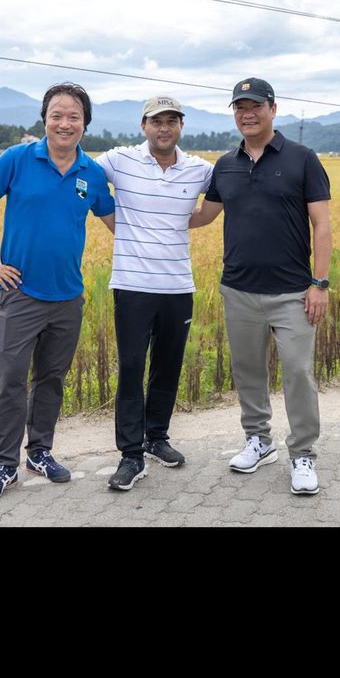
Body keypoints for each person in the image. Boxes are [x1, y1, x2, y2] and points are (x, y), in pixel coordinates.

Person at [0, 83, 115, 501]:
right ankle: (5, 465)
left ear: (85, 123)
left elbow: (118, 224)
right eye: (57, 115)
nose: (64, 123)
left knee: (51, 378)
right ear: (45, 119)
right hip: (20, 294)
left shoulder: (93, 174)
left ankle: (40, 452)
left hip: (68, 296)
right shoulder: (17, 159)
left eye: (74, 116)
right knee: (10, 379)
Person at [189, 76, 331, 496]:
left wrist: (319, 283)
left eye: (254, 106)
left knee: (298, 372)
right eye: (239, 107)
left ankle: (302, 453)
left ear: (272, 108)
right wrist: (145, 208)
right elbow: (202, 216)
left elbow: (321, 225)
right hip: (239, 290)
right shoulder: (225, 165)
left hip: (293, 292)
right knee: (248, 371)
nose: (246, 114)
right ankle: (258, 440)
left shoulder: (303, 158)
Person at [96, 95, 214, 491]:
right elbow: (79, 176)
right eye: (156, 121)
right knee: (131, 368)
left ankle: (156, 438)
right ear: (143, 126)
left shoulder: (199, 169)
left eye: (171, 121)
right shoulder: (119, 160)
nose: (164, 128)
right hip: (131, 286)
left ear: (181, 126)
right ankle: (130, 454)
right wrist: (119, 224)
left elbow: (221, 198)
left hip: (178, 286)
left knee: (167, 364)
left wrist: (181, 222)